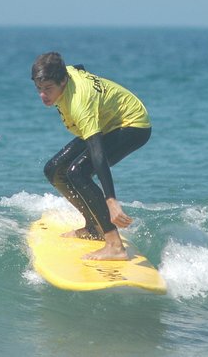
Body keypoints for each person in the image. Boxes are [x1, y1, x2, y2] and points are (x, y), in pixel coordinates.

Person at [31, 52, 152, 261]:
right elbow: (78, 67)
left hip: (132, 125)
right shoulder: (65, 72)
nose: (43, 95)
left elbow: (98, 153)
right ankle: (94, 227)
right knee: (53, 170)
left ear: (63, 81)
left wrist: (111, 200)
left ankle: (115, 245)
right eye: (39, 89)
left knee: (78, 172)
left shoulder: (80, 104)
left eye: (48, 89)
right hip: (107, 123)